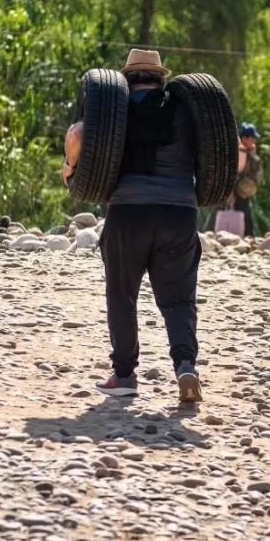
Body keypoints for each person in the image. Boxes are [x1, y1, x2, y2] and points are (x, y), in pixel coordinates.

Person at [62, 49, 204, 403]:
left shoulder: (114, 109)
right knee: (178, 299)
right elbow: (219, 149)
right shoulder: (186, 111)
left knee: (122, 295)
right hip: (179, 214)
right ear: (161, 79)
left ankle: (124, 375)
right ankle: (185, 365)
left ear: (126, 79)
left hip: (129, 213)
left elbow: (77, 135)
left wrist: (70, 167)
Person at [206, 122, 263, 237]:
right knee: (218, 213)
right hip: (230, 191)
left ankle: (248, 238)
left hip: (242, 193)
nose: (254, 141)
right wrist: (230, 192)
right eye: (253, 138)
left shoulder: (250, 154)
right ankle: (206, 236)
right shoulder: (236, 152)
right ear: (245, 138)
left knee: (245, 216)